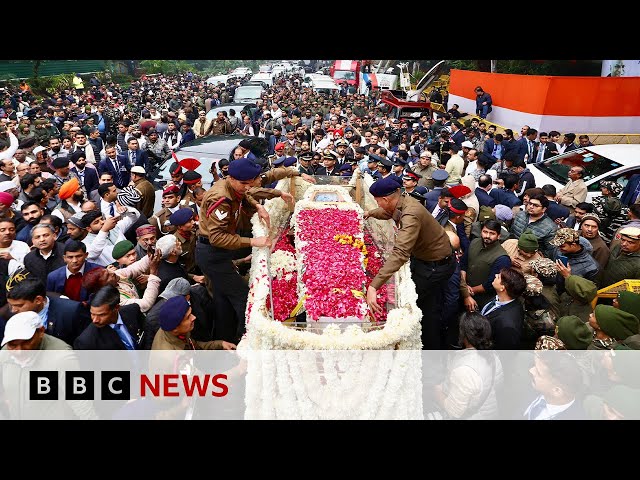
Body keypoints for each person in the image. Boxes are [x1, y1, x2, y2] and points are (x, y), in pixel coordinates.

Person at [365, 177, 455, 349]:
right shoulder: (402, 201)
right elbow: (387, 213)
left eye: (378, 202)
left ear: (385, 199)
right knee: (428, 303)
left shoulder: (411, 213)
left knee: (423, 309)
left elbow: (400, 252)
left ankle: (429, 346)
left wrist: (374, 286)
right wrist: (369, 213)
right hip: (425, 259)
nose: (378, 205)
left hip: (435, 266)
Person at [196, 158, 271, 344]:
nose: (248, 187)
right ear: (231, 178)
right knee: (242, 297)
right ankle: (245, 340)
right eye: (244, 183)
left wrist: (257, 206)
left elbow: (245, 194)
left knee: (223, 299)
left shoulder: (232, 186)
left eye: (250, 182)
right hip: (213, 253)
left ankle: (224, 338)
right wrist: (254, 241)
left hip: (218, 251)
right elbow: (218, 237)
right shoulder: (220, 198)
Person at [1, 310, 98, 419]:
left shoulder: (62, 357)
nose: (19, 351)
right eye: (13, 345)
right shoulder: (4, 354)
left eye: (26, 343)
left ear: (41, 331)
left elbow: (80, 402)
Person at [430, 312, 503, 419]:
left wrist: (436, 390)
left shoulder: (464, 370)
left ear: (464, 335)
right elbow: (498, 384)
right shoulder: (493, 355)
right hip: (490, 411)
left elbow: (454, 411)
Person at [5, 277, 91, 347]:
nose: (13, 310)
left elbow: (84, 344)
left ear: (38, 300)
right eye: (11, 305)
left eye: (19, 305)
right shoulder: (9, 315)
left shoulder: (71, 311)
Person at [151, 295, 236, 350]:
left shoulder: (173, 329)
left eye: (191, 313)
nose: (194, 317)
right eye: (188, 317)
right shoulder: (173, 358)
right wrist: (238, 370)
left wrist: (220, 344)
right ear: (175, 329)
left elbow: (194, 345)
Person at [73, 285, 143, 350]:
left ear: (116, 308)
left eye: (101, 315)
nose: (95, 320)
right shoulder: (87, 342)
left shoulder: (133, 311)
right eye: (92, 314)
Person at [522, 352, 585, 420]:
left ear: (556, 391)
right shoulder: (529, 386)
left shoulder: (575, 417)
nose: (531, 370)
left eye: (538, 373)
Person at [481, 267, 526, 349]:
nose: (495, 275)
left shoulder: (508, 326)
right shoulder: (499, 297)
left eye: (498, 277)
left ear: (502, 288)